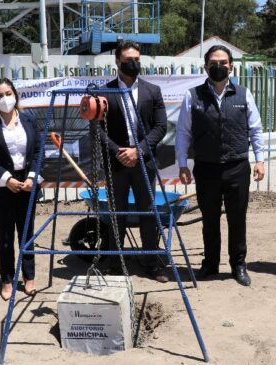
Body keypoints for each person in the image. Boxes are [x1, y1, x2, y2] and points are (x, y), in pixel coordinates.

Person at [176, 45, 265, 287]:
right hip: (206, 168)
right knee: (210, 218)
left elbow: (255, 129)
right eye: (214, 62)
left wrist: (260, 159)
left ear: (231, 66)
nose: (219, 66)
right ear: (205, 67)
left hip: (237, 166)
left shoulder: (243, 94)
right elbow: (183, 132)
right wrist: (182, 164)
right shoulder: (192, 96)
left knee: (237, 218)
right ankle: (210, 264)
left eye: (224, 62)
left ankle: (238, 265)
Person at [96, 41, 168, 283]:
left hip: (144, 163)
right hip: (116, 164)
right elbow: (97, 129)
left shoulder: (152, 91)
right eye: (129, 59)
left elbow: (160, 127)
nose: (134, 63)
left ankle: (151, 263)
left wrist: (138, 151)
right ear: (117, 62)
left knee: (148, 212)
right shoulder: (104, 93)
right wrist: (119, 152)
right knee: (117, 214)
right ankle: (114, 263)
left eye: (137, 58)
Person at [0, 78, 42, 300]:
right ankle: (7, 280)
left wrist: (32, 177)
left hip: (27, 184)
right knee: (5, 236)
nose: (4, 98)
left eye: (7, 93)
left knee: (27, 233)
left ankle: (30, 277)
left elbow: (38, 151)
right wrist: (7, 179)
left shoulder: (29, 120)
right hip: (2, 186)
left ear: (15, 94)